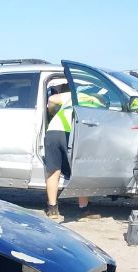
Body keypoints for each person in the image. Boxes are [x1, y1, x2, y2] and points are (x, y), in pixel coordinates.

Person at [44, 78, 92, 218]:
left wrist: (53, 112)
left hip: (53, 131)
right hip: (73, 134)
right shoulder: (87, 97)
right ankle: (84, 209)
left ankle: (52, 209)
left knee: (53, 170)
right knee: (80, 170)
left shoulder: (68, 97)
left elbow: (52, 99)